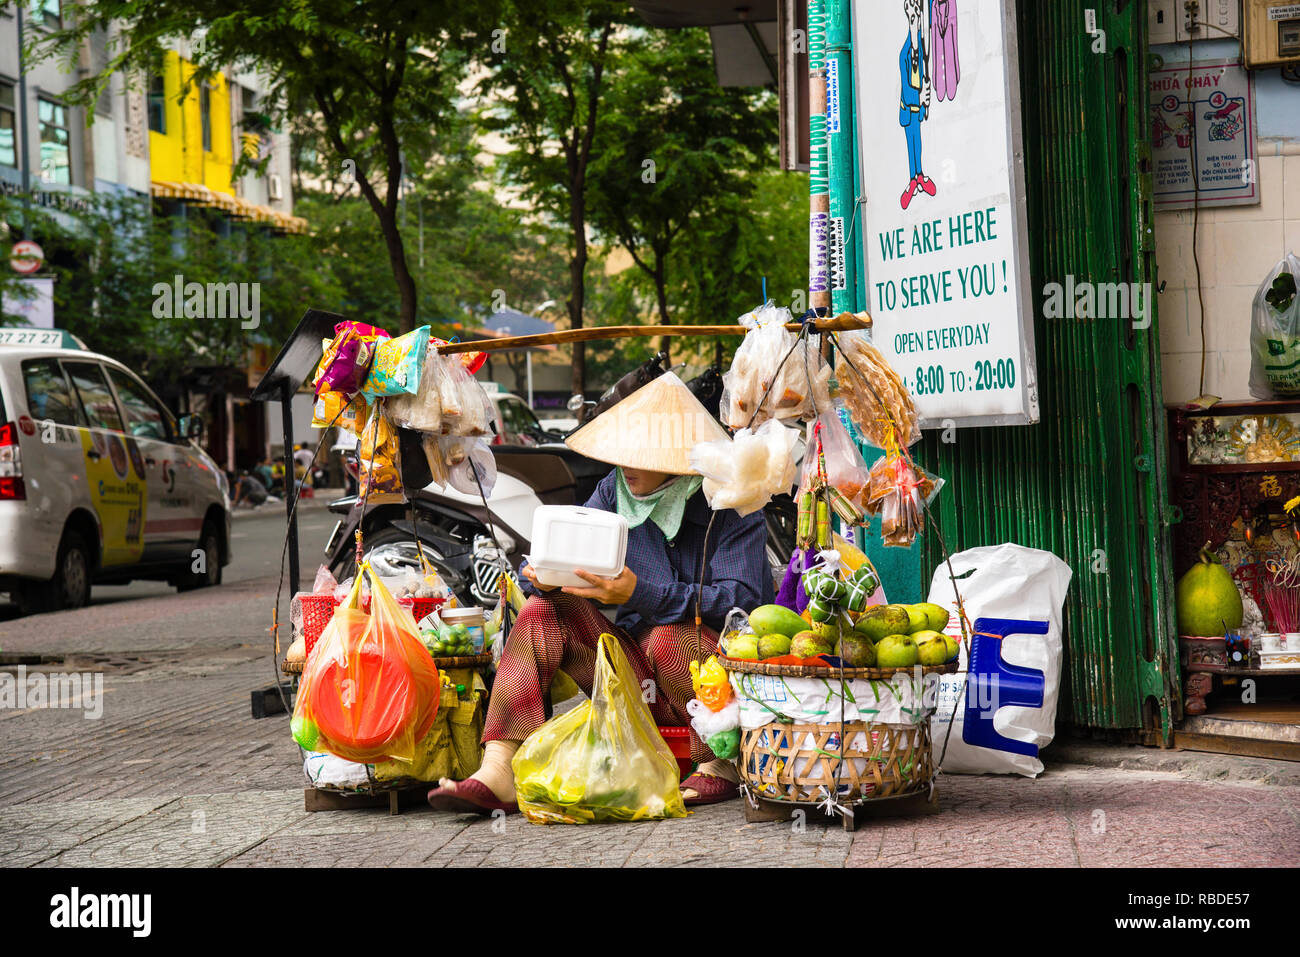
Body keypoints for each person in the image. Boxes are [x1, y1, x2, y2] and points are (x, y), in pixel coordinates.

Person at [428, 372, 774, 815]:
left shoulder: (732, 501)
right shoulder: (616, 491)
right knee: (540, 611)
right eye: (621, 454)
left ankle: (719, 765)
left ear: (674, 458)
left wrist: (640, 592)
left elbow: (741, 603)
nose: (625, 466)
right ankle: (498, 769)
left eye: (638, 456)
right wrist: (543, 575)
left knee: (670, 638)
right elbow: (564, 549)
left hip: (712, 689)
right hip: (634, 681)